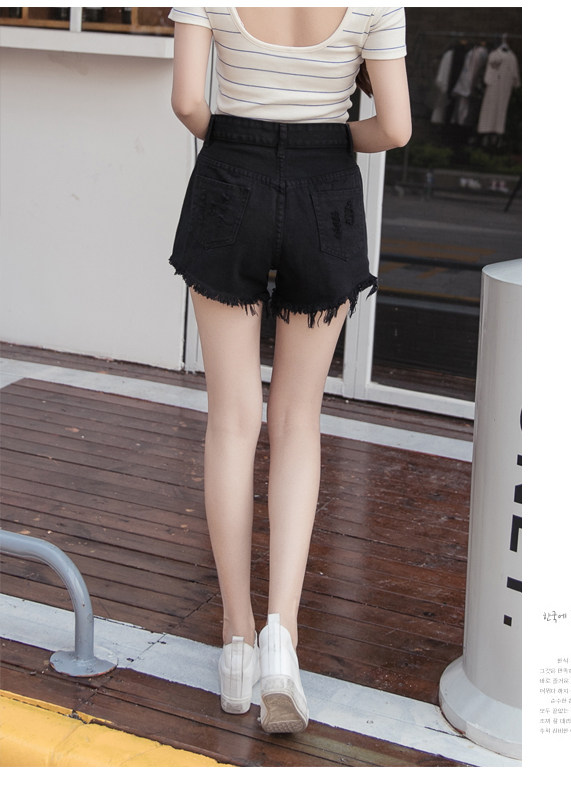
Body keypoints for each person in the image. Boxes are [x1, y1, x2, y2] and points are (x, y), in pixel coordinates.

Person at [168, 7, 410, 734]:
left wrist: (242, 142)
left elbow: (187, 101)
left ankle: (236, 641)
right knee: (298, 421)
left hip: (229, 177)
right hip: (325, 186)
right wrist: (330, 139)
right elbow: (395, 128)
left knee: (232, 422)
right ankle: (282, 638)